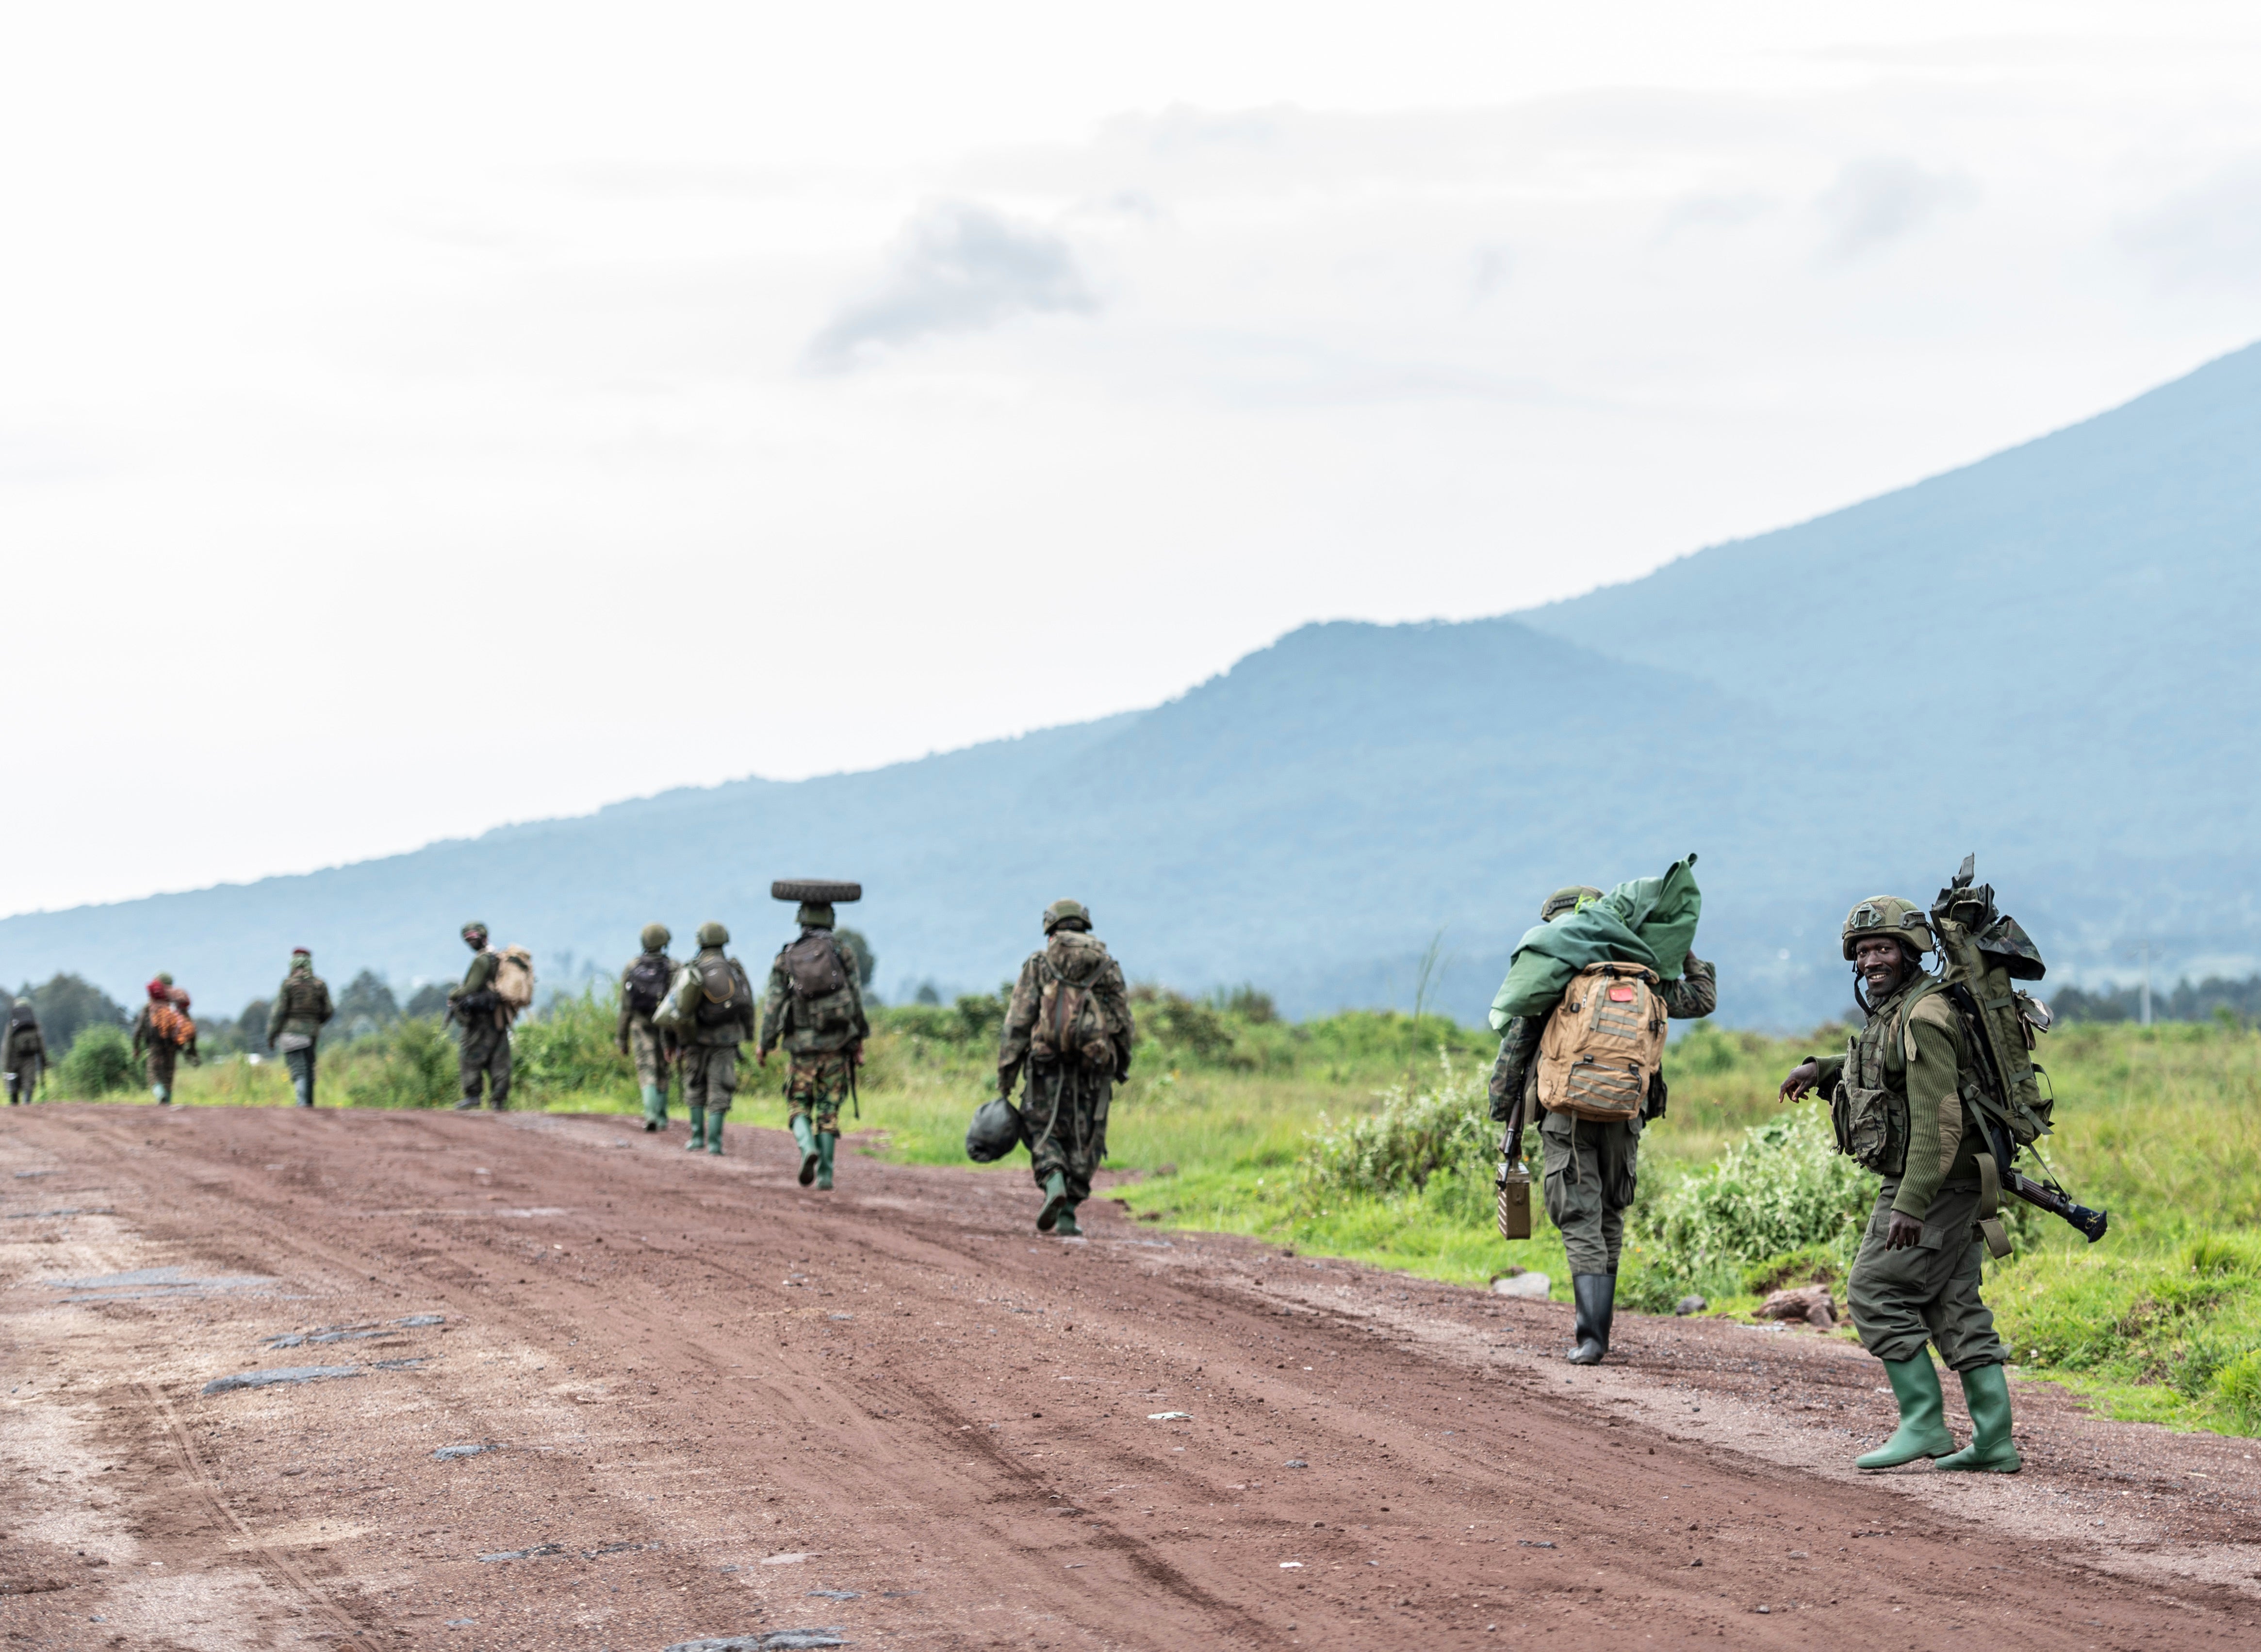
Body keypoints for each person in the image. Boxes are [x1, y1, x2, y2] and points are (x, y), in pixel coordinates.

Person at [1779, 897, 2020, 1474]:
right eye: (1861, 952)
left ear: (1911, 952)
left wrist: (1910, 1204)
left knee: (1873, 1292)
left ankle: (1924, 1424)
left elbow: (1939, 1116)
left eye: (1882, 948)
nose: (1870, 961)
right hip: (1960, 1183)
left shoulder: (1922, 1016)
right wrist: (1824, 1068)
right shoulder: (1903, 1010)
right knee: (1951, 1304)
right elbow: (1884, 1065)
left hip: (1931, 1183)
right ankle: (1993, 1442)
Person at [1488, 884, 1717, 1364]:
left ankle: (1591, 1339)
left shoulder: (1555, 973)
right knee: (1611, 1212)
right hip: (1625, 1114)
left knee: (1578, 1217)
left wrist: (1503, 1111)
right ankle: (1599, 1334)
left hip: (1564, 1116)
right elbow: (1701, 999)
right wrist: (1680, 945)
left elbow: (1516, 1047)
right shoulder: (1646, 975)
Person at [996, 900, 1135, 1237]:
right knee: (1086, 1136)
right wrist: (1119, 1064)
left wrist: (1007, 1074)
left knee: (1043, 1129)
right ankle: (1069, 1213)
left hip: (1046, 1066)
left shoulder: (1040, 962)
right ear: (1084, 926)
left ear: (1051, 929)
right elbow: (1123, 1021)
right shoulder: (1106, 963)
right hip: (1093, 1068)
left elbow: (1018, 1020)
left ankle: (1053, 1179)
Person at [757, 899, 870, 1189]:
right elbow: (856, 1000)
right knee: (829, 1109)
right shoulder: (843, 952)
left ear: (801, 920)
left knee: (798, 1104)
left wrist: (765, 1043)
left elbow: (773, 1006)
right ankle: (826, 1176)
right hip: (837, 1044)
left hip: (801, 1048)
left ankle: (808, 1149)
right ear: (831, 919)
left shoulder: (787, 957)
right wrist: (859, 1041)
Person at [676, 921, 755, 1155]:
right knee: (720, 1088)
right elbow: (747, 1004)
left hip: (695, 1039)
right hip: (726, 1040)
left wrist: (674, 1043)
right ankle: (715, 1144)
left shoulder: (691, 969)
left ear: (700, 941)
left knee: (695, 1085)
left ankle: (697, 1138)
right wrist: (748, 1035)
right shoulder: (733, 969)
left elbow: (676, 1009)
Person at [618, 923, 679, 1131]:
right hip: (665, 1024)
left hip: (639, 1024)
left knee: (647, 1068)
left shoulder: (632, 967)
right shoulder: (673, 968)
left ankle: (650, 1115)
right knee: (664, 1067)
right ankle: (662, 1117)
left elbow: (625, 1008)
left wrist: (621, 1038)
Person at [446, 922, 513, 1112]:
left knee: (470, 1055)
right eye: (468, 938)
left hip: (480, 1019)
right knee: (500, 1058)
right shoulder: (497, 957)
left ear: (481, 937)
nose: (470, 941)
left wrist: (453, 995)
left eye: (472, 937)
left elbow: (471, 988)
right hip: (499, 1016)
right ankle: (498, 1099)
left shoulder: (482, 960)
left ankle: (473, 1095)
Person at [265, 949, 336, 1107]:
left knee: (299, 1069)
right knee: (309, 1068)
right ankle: (309, 1106)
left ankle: (302, 1106)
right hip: (312, 1033)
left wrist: (271, 1035)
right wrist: (316, 1022)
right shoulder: (319, 985)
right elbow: (329, 1010)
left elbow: (279, 1012)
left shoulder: (289, 984)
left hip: (290, 1033)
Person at [131, 975, 198, 1106]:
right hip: (172, 1046)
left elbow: (138, 1030)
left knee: (153, 1074)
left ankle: (161, 1095)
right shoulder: (178, 1005)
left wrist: (136, 1047)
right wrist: (192, 1049)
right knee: (169, 1075)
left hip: (155, 1046)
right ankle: (167, 1102)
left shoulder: (151, 1006)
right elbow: (190, 1027)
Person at [4, 999, 49, 1103]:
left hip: (14, 1058)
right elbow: (41, 1043)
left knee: (13, 1084)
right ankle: (27, 1105)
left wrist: (6, 1065)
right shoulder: (34, 1024)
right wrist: (44, 1060)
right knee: (29, 1083)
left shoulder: (12, 1025)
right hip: (30, 1058)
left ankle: (14, 1107)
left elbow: (7, 1046)